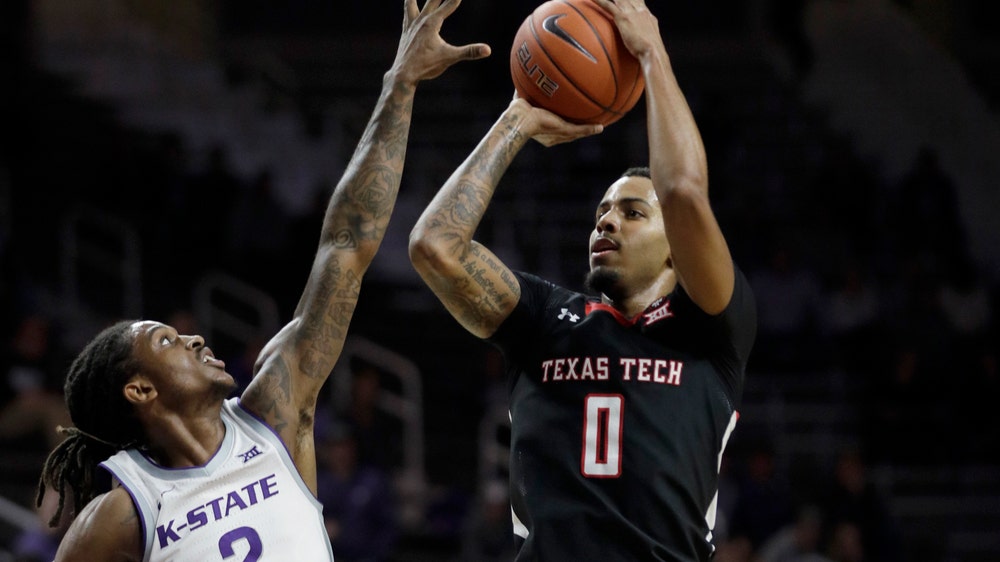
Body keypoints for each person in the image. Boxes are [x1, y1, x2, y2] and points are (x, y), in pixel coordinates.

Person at [34, 2, 490, 560]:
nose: (195, 338)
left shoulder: (275, 411)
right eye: (166, 341)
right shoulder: (119, 517)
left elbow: (345, 245)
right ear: (140, 390)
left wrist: (400, 84)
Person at [408, 1, 756, 559]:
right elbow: (434, 246)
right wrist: (517, 119)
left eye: (633, 212)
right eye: (601, 213)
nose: (608, 220)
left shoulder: (709, 327)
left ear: (677, 253)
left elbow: (685, 193)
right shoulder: (546, 319)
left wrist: (651, 52)